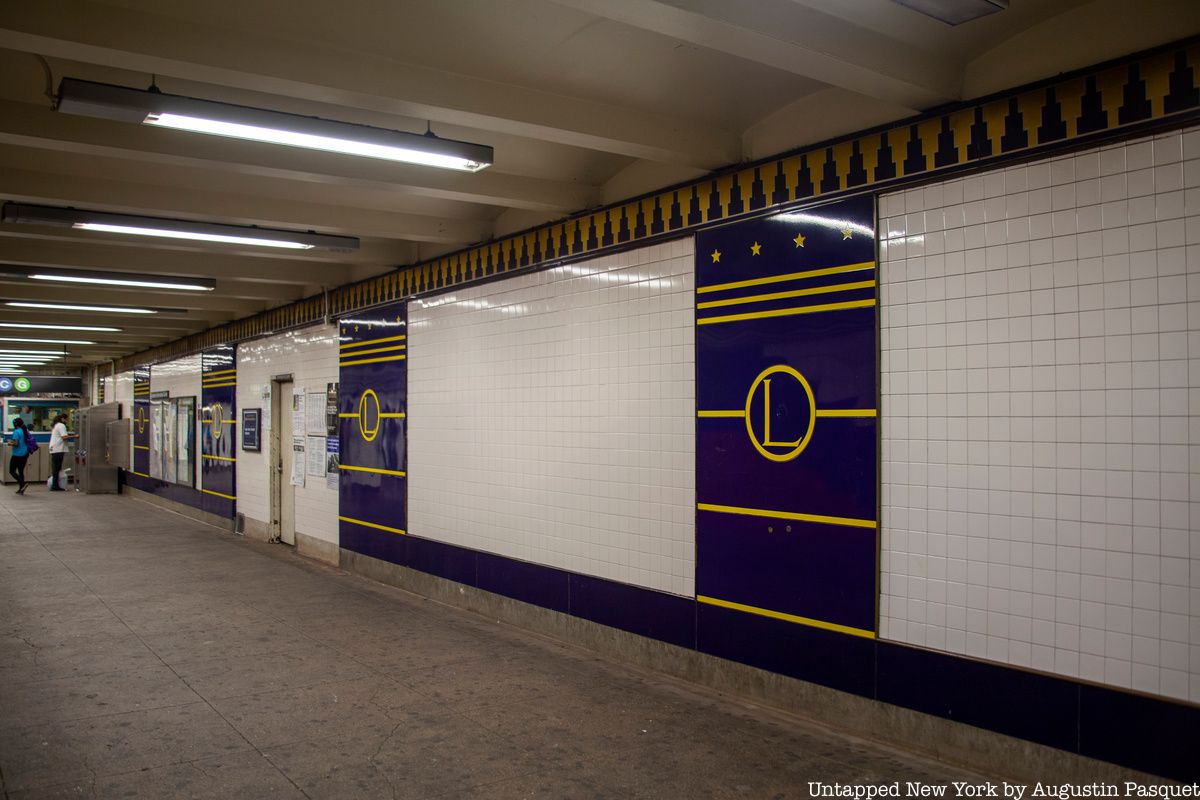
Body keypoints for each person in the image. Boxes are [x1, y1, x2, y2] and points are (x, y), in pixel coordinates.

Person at [49, 414, 76, 491]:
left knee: (56, 468)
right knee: (57, 468)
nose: (67, 421)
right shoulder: (61, 425)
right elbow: (64, 437)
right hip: (58, 449)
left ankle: (56, 485)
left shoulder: (56, 425)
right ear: (62, 419)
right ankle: (55, 486)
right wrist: (75, 436)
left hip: (54, 449)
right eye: (66, 419)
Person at [6, 417, 30, 494]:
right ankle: (21, 489)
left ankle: (22, 484)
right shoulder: (25, 431)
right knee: (20, 471)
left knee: (12, 471)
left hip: (17, 454)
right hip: (25, 454)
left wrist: (9, 443)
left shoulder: (16, 432)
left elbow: (16, 444)